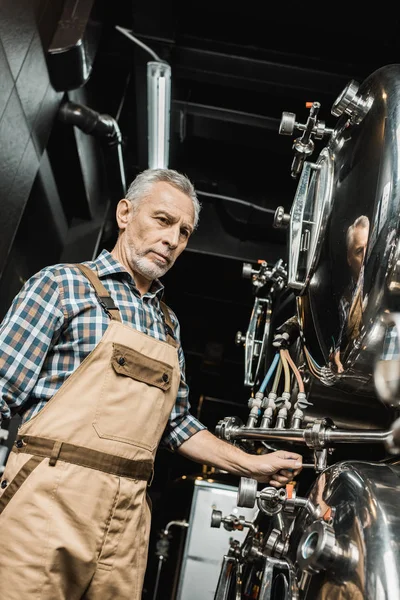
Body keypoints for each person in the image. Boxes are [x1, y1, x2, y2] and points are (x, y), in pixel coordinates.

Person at [0, 168, 303, 600]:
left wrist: (250, 464)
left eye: (184, 232)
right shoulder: (62, 286)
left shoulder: (168, 325)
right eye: (163, 220)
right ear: (125, 213)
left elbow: (176, 425)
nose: (173, 240)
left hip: (126, 522)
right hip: (44, 502)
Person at [331, 215, 370, 373]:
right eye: (359, 251)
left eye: (370, 247)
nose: (366, 255)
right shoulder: (346, 301)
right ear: (349, 258)